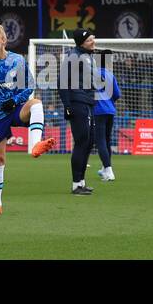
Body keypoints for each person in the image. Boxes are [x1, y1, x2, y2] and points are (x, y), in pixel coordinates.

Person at [0, 25, 53, 215]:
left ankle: (35, 145)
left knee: (36, 104)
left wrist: (14, 101)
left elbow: (30, 86)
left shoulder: (17, 60)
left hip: (15, 108)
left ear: (3, 41)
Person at [57, 28, 98, 197]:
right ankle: (76, 185)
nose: (93, 41)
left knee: (89, 141)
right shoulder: (73, 56)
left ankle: (81, 182)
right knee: (82, 141)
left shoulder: (88, 56)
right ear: (81, 43)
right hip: (77, 102)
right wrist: (67, 105)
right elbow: (62, 82)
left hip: (88, 102)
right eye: (89, 40)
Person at [93, 64, 120, 181]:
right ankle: (105, 168)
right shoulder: (110, 74)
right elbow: (117, 94)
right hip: (110, 110)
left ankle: (109, 170)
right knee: (107, 140)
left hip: (98, 111)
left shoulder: (91, 74)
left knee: (100, 141)